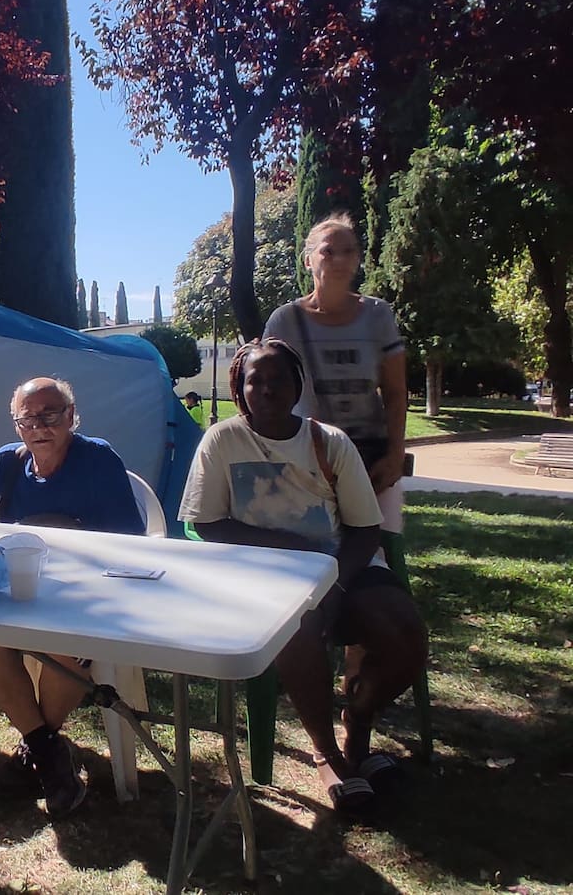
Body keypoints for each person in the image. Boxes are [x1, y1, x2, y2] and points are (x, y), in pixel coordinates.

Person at [178, 339, 427, 812]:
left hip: (342, 565)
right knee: (296, 623)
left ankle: (358, 722)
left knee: (406, 634)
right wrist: (289, 549)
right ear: (239, 388)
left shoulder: (329, 441)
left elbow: (365, 528)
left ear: (298, 387)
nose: (267, 389)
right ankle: (327, 753)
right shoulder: (222, 441)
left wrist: (335, 582)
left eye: (279, 380)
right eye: (255, 381)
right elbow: (206, 523)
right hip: (264, 575)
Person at [0, 376, 144, 818]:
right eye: (27, 419)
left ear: (71, 416)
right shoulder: (4, 464)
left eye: (50, 415)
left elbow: (129, 541)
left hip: (84, 594)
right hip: (17, 593)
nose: (39, 426)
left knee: (67, 645)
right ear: (16, 425)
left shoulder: (97, 459)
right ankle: (49, 754)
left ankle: (36, 752)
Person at [263, 212, 409, 541]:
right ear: (308, 260)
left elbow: (396, 391)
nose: (340, 259)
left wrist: (395, 455)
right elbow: (263, 393)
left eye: (349, 251)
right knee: (311, 552)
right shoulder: (284, 322)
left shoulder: (378, 315)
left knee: (377, 550)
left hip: (370, 462)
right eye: (328, 251)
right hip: (305, 462)